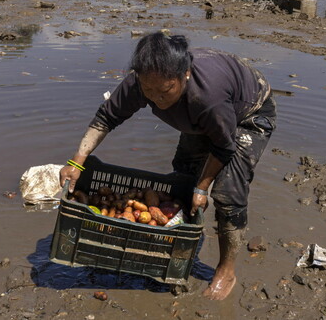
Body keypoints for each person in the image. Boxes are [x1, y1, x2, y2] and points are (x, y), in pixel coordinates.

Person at [59, 32, 276, 300]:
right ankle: (179, 243)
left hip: (249, 114)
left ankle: (226, 269)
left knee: (227, 195)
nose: (157, 99)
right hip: (201, 119)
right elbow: (106, 117)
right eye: (148, 92)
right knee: (183, 178)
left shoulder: (208, 97)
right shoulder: (143, 80)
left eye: (164, 91)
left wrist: (203, 186)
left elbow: (223, 146)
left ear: (184, 75)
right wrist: (76, 162)